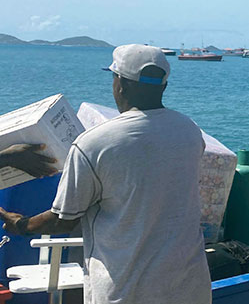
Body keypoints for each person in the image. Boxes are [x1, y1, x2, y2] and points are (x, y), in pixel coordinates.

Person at [0, 44, 211, 304]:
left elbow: (63, 220)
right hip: (189, 288)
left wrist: (21, 224)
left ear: (119, 84)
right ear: (163, 86)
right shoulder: (189, 131)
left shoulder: (94, 144)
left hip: (127, 291)